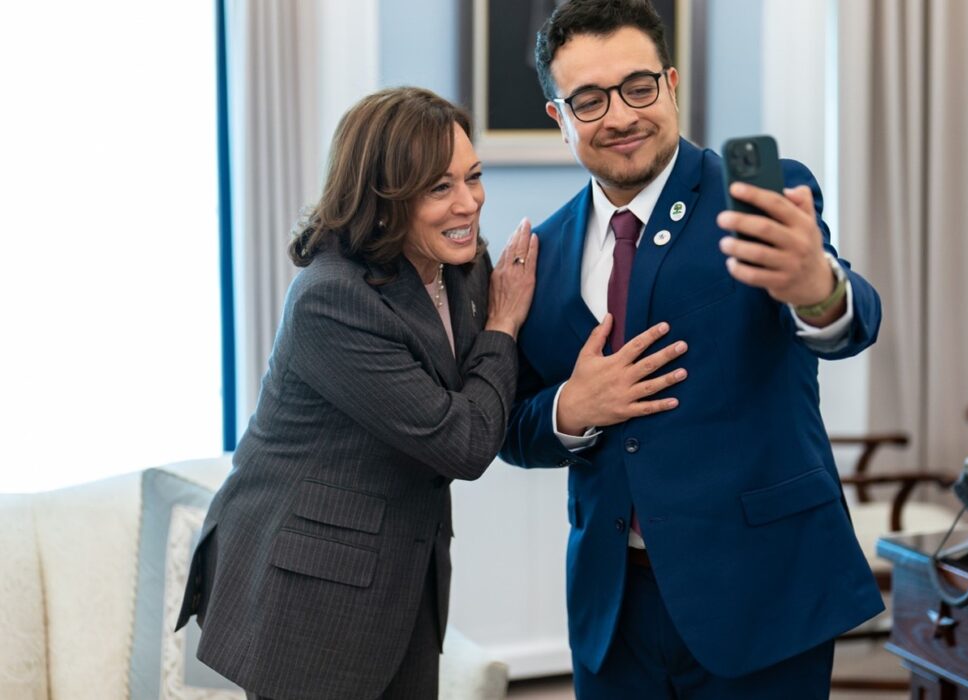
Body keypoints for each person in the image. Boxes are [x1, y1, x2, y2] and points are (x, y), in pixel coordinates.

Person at [499, 1, 885, 697]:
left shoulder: (756, 199)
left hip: (760, 592)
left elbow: (850, 323)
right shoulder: (543, 252)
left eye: (639, 87)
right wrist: (570, 409)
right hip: (612, 608)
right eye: (588, 100)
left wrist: (818, 288)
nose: (620, 116)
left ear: (671, 85)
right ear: (560, 118)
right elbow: (514, 428)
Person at [175, 86, 538, 700]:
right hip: (309, 587)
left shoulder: (464, 267)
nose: (468, 203)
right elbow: (465, 441)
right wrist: (504, 325)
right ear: (384, 198)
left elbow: (490, 387)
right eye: (438, 187)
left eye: (472, 177)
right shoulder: (331, 298)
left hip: (405, 571)